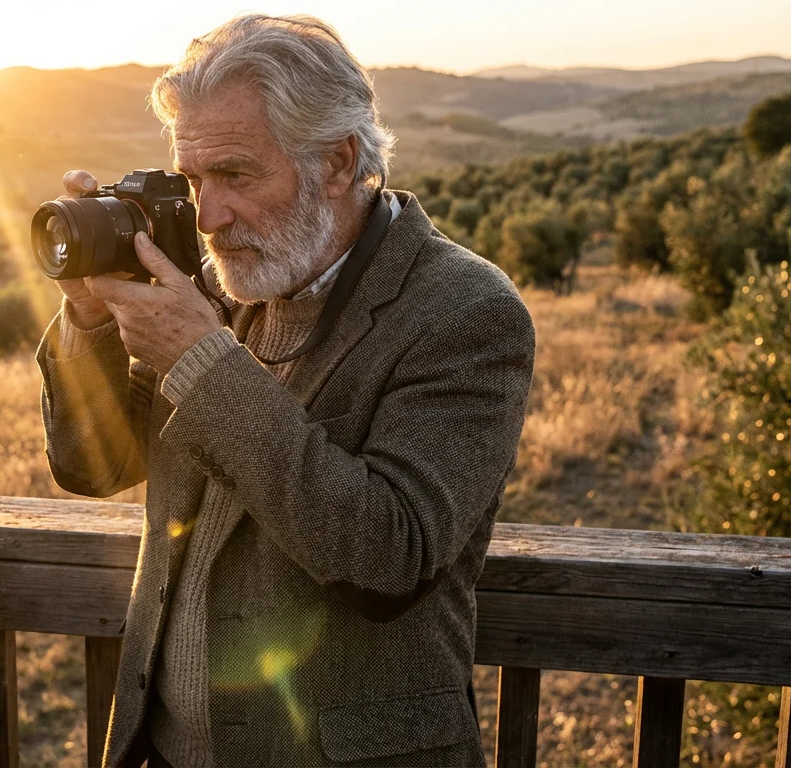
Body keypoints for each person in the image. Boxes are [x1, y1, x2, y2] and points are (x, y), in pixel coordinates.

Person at [36, 13, 535, 768]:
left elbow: (390, 555)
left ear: (337, 162)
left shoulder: (466, 312)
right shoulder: (223, 288)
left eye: (235, 175)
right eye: (193, 179)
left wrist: (202, 361)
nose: (208, 217)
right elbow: (92, 466)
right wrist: (90, 315)